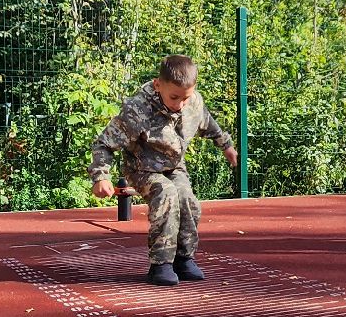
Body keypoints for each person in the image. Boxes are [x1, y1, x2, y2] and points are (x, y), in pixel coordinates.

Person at [91, 54, 239, 286]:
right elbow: (104, 143)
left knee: (187, 199)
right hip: (141, 168)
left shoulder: (193, 102)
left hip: (174, 167)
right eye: (173, 97)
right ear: (158, 84)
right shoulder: (137, 110)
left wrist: (226, 146)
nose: (179, 104)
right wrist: (101, 176)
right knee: (166, 193)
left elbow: (208, 123)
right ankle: (161, 265)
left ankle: (184, 259)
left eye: (185, 98)